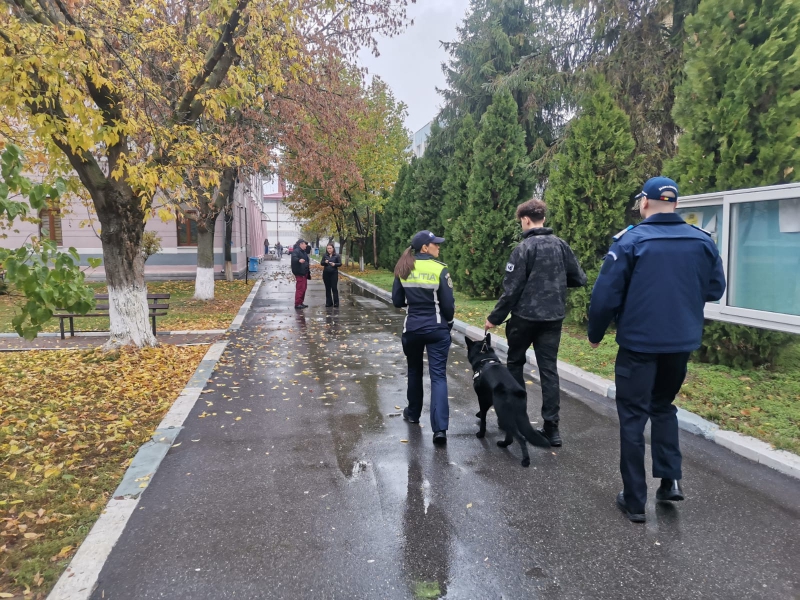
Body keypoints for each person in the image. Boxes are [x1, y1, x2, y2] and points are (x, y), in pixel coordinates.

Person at [587, 176, 726, 523]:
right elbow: (715, 289)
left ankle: (635, 501)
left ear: (645, 203)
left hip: (639, 344)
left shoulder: (631, 241)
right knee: (663, 406)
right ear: (675, 205)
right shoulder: (702, 241)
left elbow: (605, 295)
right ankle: (669, 480)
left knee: (633, 417)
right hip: (680, 344)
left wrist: (595, 333)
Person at [484, 198, 587, 447]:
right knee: (548, 370)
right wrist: (554, 282)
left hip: (524, 318)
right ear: (543, 219)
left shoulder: (523, 249)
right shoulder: (561, 245)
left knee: (515, 364)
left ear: (526, 220)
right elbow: (579, 278)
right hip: (553, 318)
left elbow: (511, 290)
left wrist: (494, 318)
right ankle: (552, 428)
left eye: (521, 222)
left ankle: (516, 420)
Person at [392, 230, 455, 445]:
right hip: (436, 329)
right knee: (438, 376)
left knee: (414, 371)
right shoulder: (440, 269)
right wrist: (448, 322)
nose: (439, 247)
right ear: (425, 248)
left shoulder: (403, 268)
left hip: (412, 329)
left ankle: (413, 414)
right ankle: (440, 430)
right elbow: (448, 305)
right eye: (435, 244)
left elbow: (397, 301)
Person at [290, 239, 311, 309]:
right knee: (300, 289)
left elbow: (309, 249)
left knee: (304, 288)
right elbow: (294, 258)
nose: (306, 245)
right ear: (301, 244)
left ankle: (301, 302)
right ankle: (297, 303)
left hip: (304, 273)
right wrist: (299, 260)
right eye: (305, 244)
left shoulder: (303, 251)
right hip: (300, 273)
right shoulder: (296, 251)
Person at [321, 243, 342, 307]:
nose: (329, 250)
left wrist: (335, 264)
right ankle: (329, 302)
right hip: (326, 273)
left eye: (330, 248)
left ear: (333, 249)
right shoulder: (325, 255)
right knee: (327, 288)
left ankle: (336, 302)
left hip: (334, 273)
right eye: (328, 248)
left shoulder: (337, 255)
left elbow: (340, 263)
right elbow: (321, 263)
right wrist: (325, 262)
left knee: (334, 288)